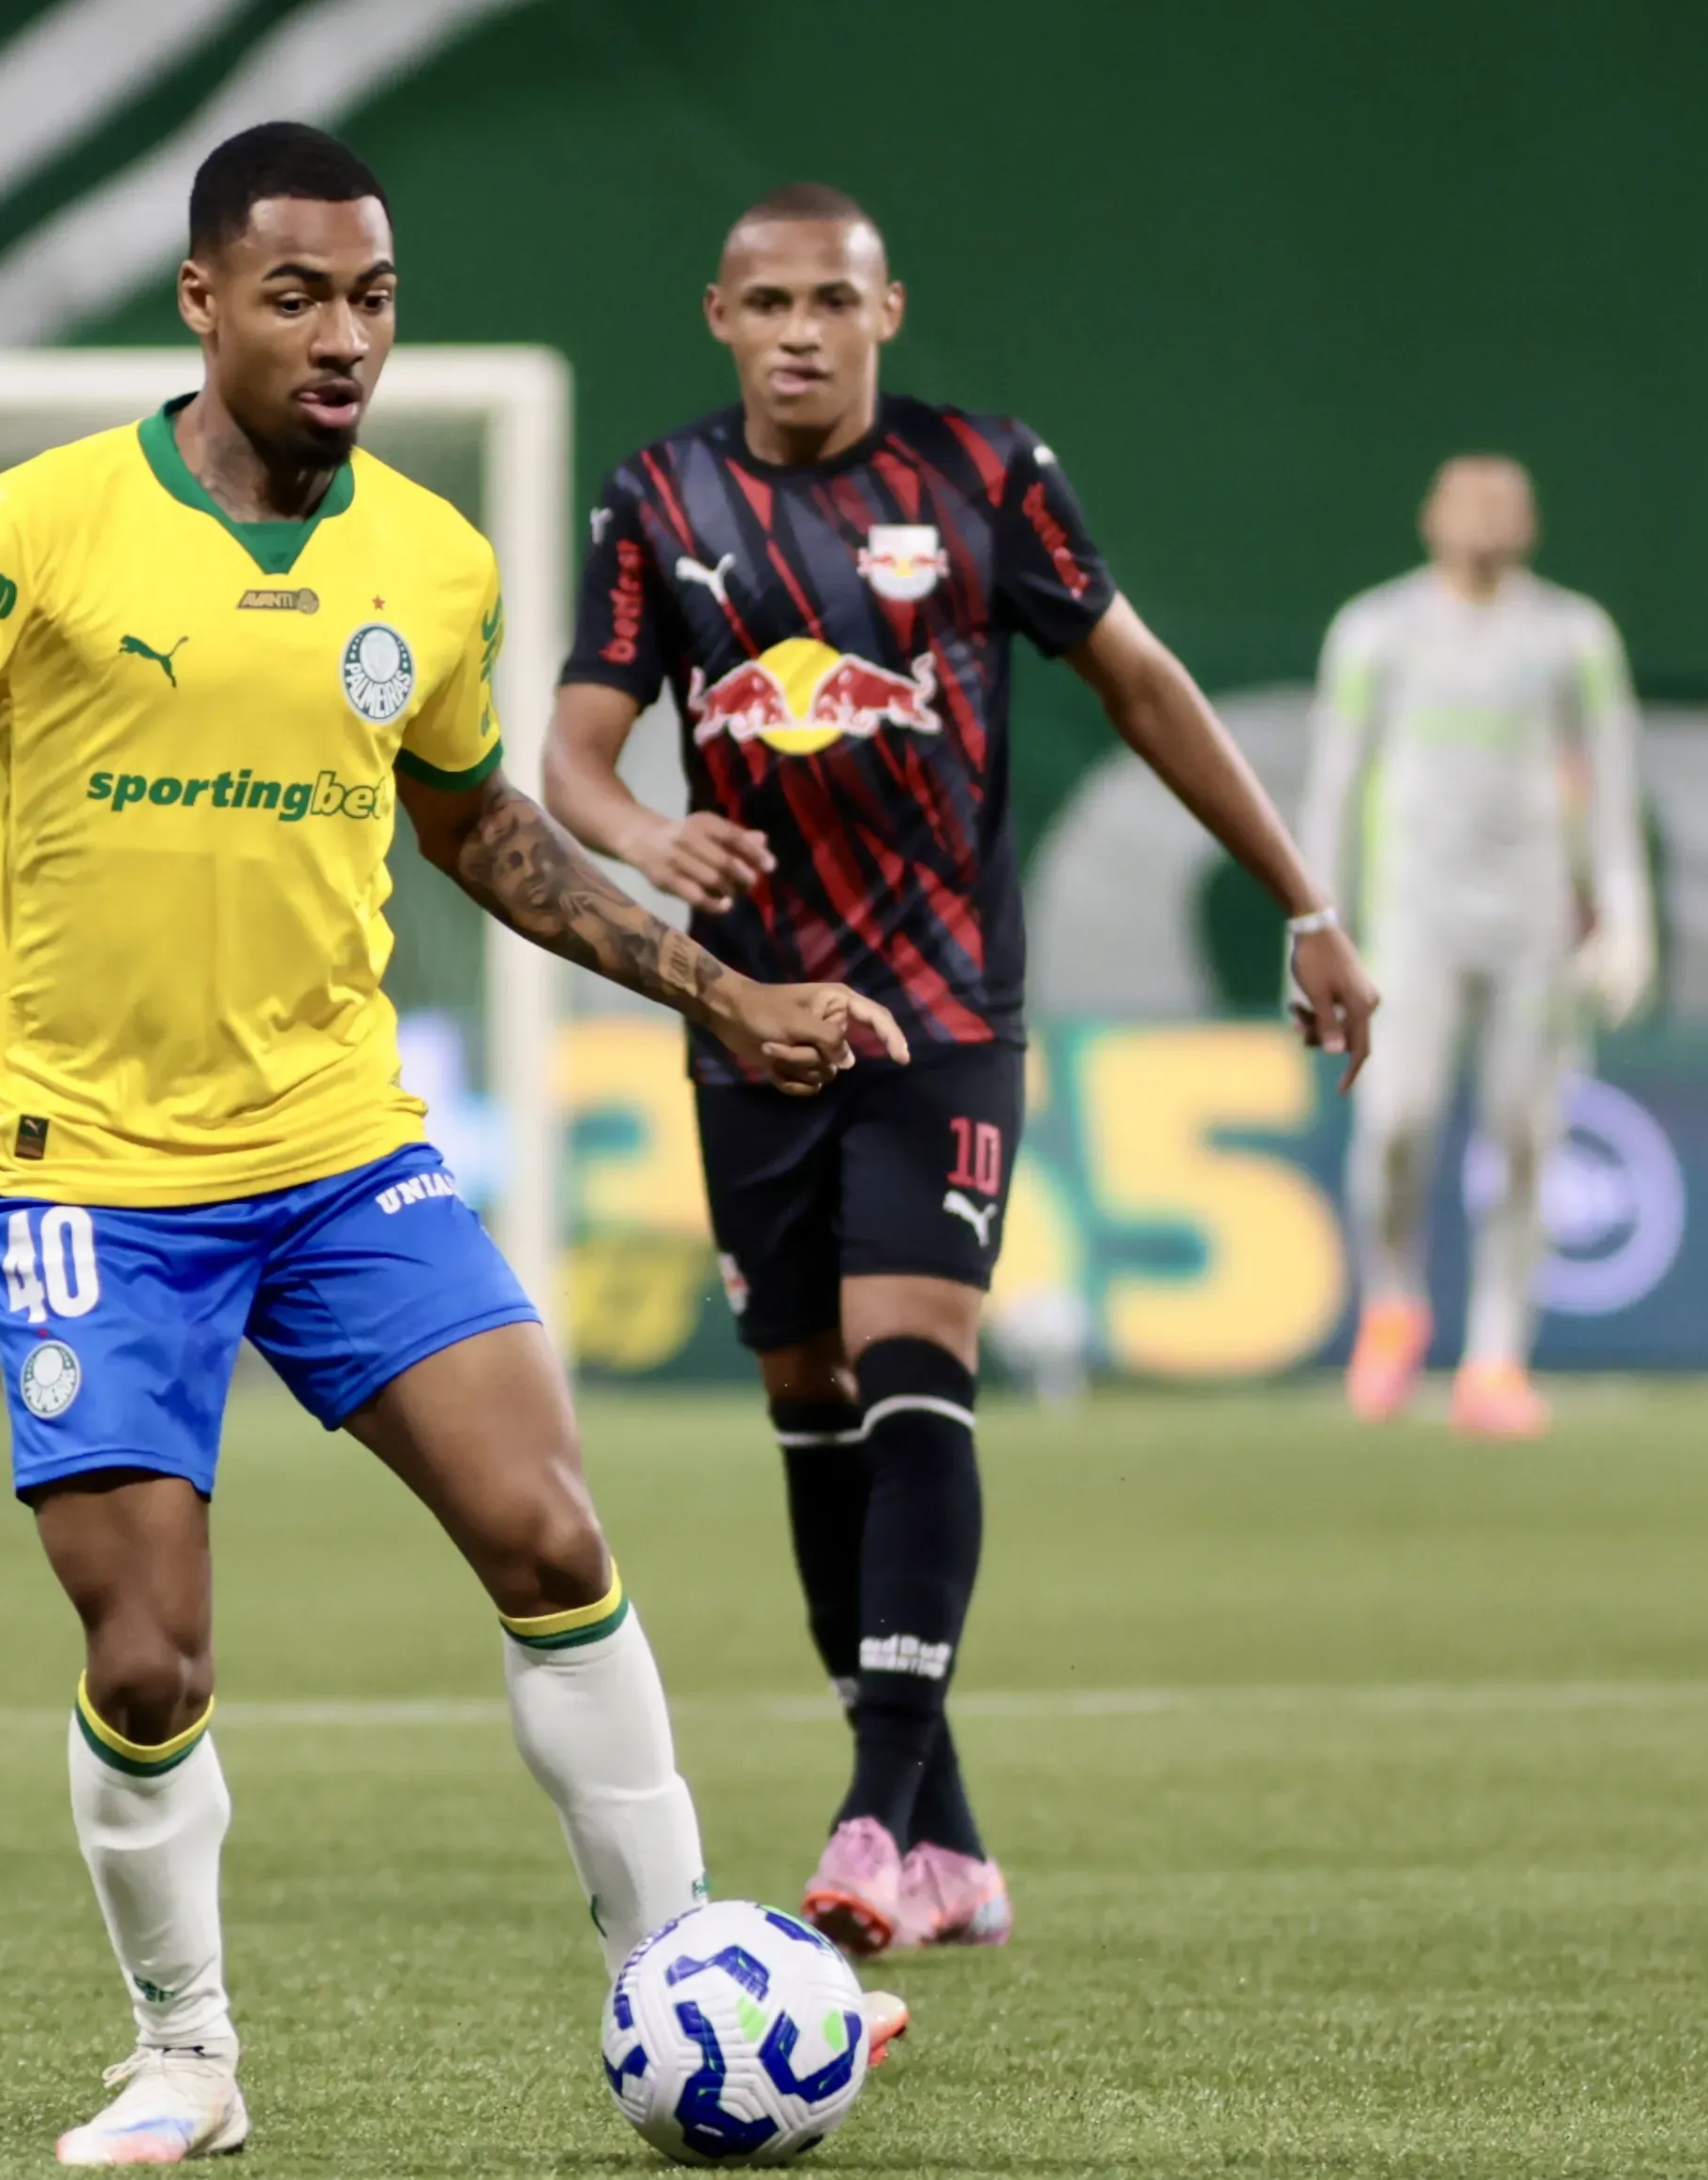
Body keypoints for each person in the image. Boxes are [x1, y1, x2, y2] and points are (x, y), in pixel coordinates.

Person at [0, 126, 912, 2166]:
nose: (345, 335)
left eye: (372, 297)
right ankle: (185, 2049)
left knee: (552, 1532)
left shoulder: (430, 562)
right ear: (199, 300)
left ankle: (680, 1970)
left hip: (337, 1146)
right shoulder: (37, 526)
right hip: (88, 1170)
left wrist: (716, 991)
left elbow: (479, 826)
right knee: (147, 1647)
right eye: (296, 294)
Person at [543, 184, 1377, 1958]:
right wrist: (641, 838)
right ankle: (954, 1847)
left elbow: (1142, 683)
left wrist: (1304, 901)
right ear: (717, 316)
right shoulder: (657, 499)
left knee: (914, 1363)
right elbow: (576, 752)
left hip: (941, 1010)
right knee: (808, 1403)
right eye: (763, 302)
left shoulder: (987, 479)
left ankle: (872, 1803)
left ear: (886, 311)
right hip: (747, 1018)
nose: (797, 331)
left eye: (828, 301)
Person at [1299, 454, 1656, 1440]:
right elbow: (1334, 782)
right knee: (1396, 1124)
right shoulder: (1376, 631)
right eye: (1471, 498)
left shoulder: (1572, 636)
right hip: (1412, 921)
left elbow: (1613, 784)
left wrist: (1623, 913)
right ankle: (1392, 1302)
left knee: (1524, 1132)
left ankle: (1497, 1357)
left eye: (1509, 501)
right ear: (1429, 516)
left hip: (1531, 924)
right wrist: (1316, 920)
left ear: (1533, 523)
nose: (1489, 516)